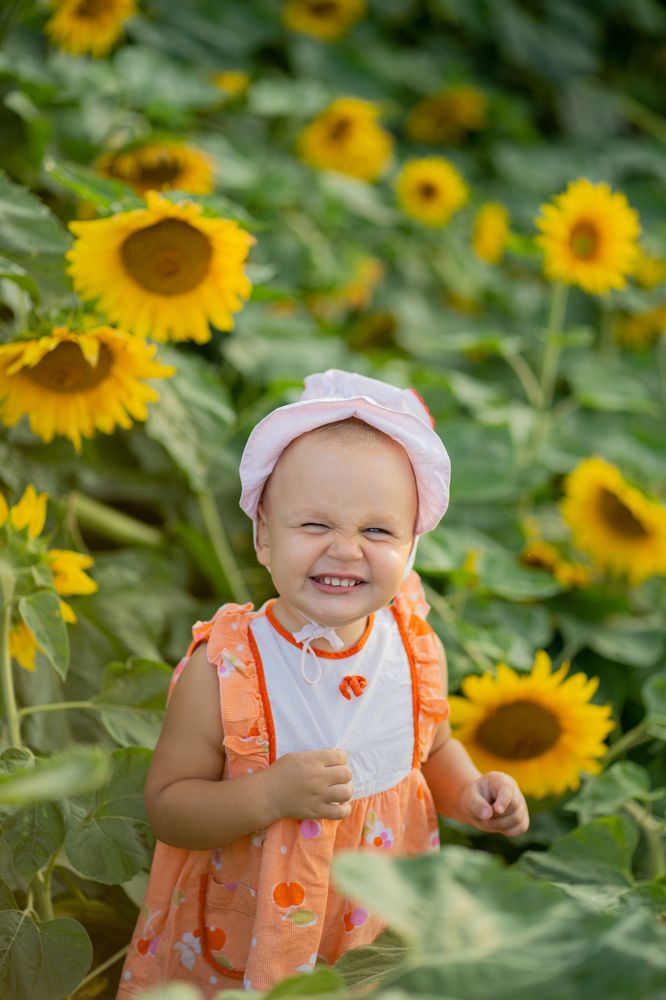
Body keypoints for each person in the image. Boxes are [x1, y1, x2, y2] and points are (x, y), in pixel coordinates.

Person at [116, 369, 529, 998]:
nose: (344, 549)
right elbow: (170, 808)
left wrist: (471, 793)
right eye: (314, 526)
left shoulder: (411, 647)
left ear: (411, 548)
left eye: (377, 531)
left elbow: (431, 750)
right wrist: (269, 797)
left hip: (375, 926)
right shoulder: (229, 668)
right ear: (263, 537)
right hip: (249, 935)